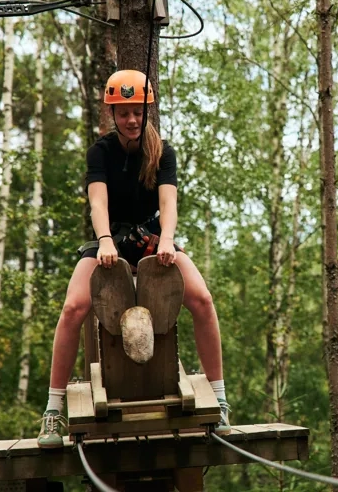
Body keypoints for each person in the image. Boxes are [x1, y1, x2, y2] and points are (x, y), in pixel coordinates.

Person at [37, 70, 230, 448]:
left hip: (152, 239)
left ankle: (221, 400)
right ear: (112, 113)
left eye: (137, 113)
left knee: (203, 300)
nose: (131, 120)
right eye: (123, 113)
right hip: (110, 238)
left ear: (147, 112)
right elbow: (97, 203)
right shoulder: (100, 152)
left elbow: (168, 203)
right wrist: (105, 240)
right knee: (73, 308)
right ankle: (53, 411)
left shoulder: (163, 153)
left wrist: (167, 241)